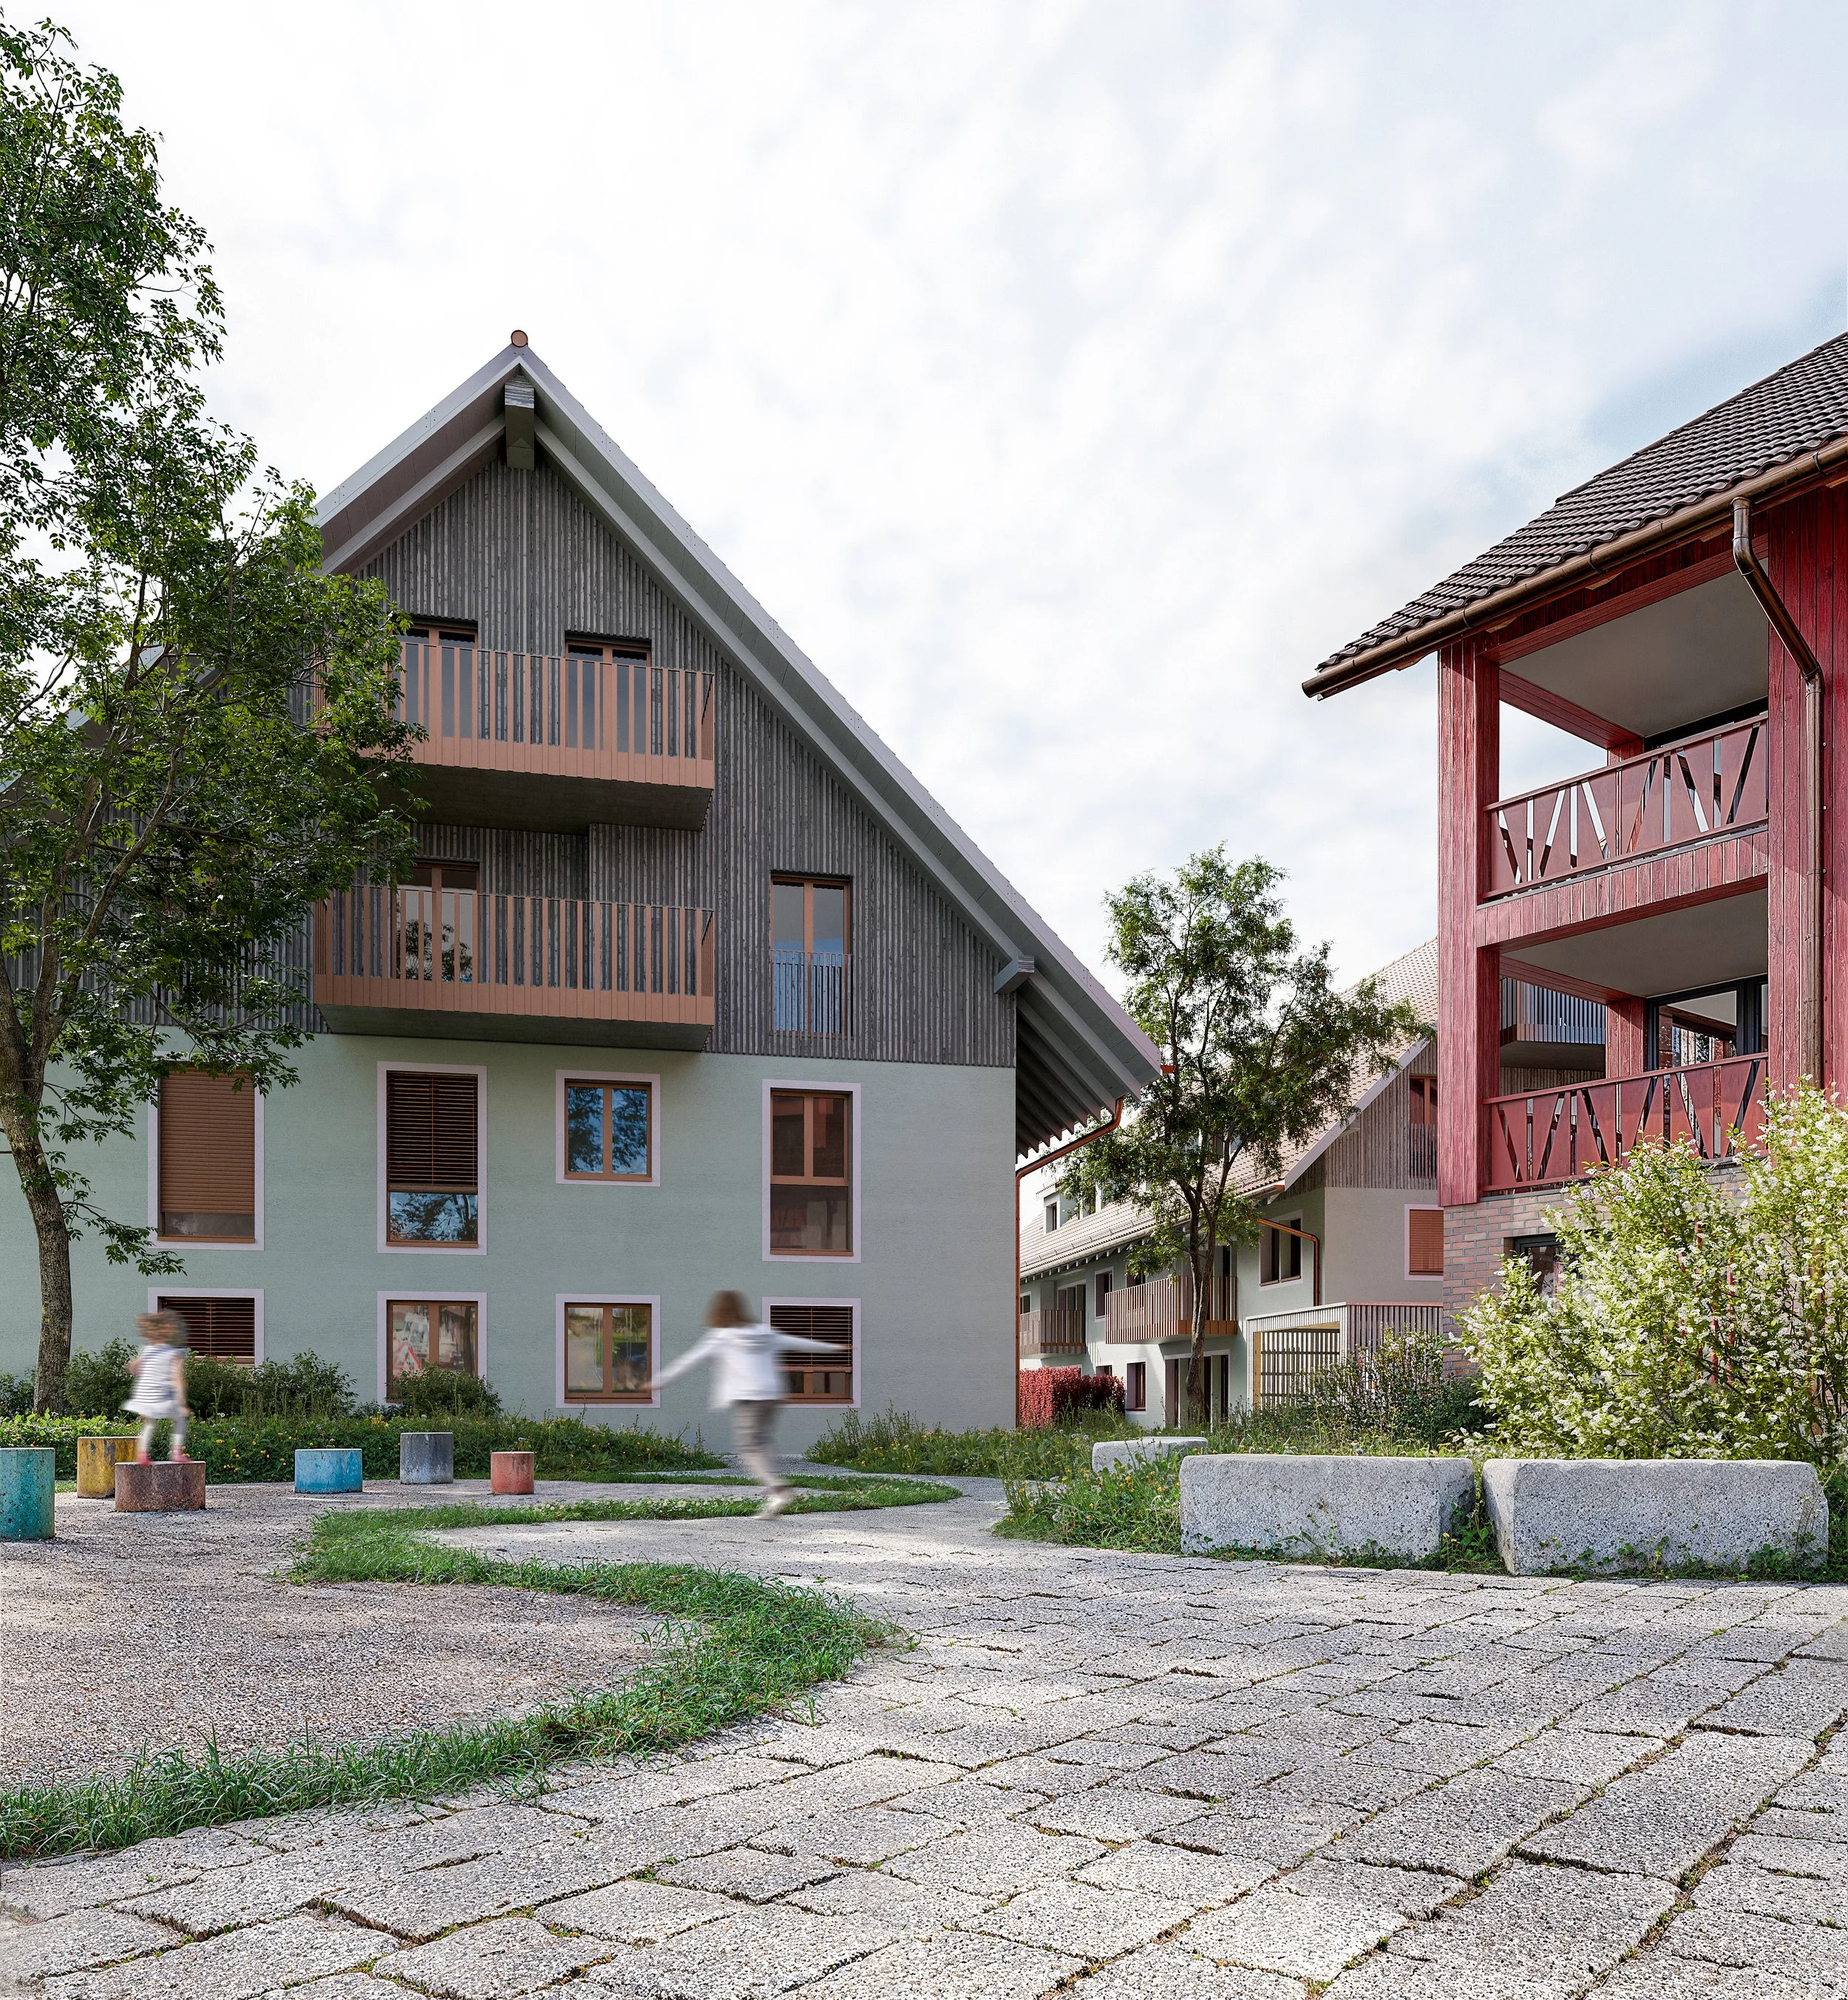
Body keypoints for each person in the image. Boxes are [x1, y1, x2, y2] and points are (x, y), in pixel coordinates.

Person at [650, 1291, 840, 1517]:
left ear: (719, 1312)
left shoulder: (722, 1337)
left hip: (751, 1397)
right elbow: (798, 1343)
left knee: (748, 1448)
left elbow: (690, 1360)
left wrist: (658, 1381)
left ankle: (777, 1489)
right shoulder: (765, 1332)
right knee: (761, 1441)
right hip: (773, 1396)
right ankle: (773, 1484)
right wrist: (835, 1348)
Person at [126, 1310, 192, 1463]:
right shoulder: (176, 1353)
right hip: (163, 1394)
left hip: (146, 1394)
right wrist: (181, 1403)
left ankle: (142, 1454)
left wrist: (137, 1370)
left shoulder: (148, 1350)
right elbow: (178, 1378)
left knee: (150, 1424)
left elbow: (133, 1367)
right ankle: (176, 1452)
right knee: (180, 1419)